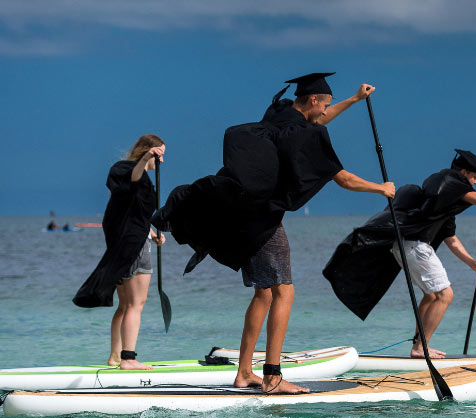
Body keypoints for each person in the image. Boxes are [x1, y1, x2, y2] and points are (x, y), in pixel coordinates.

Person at [153, 73, 394, 394]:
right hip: (262, 220)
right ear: (311, 101)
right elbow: (343, 179)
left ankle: (243, 373)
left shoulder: (279, 115)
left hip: (243, 214)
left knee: (265, 292)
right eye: (324, 105)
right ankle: (272, 376)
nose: (326, 111)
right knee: (284, 291)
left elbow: (315, 123)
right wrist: (382, 189)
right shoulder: (305, 133)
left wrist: (352, 100)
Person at [324, 149, 476, 358]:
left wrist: (471, 263)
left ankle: (418, 345)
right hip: (415, 247)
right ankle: (419, 348)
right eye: (475, 177)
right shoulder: (450, 180)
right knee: (445, 295)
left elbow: (451, 239)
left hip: (406, 246)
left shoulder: (446, 199)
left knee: (431, 295)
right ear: (464, 172)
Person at [73, 134, 167, 370]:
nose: (161, 159)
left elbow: (134, 214)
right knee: (137, 304)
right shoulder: (125, 170)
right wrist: (147, 157)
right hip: (133, 248)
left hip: (129, 244)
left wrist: (153, 233)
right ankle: (129, 358)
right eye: (160, 153)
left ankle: (115, 357)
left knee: (125, 306)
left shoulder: (141, 177)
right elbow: (132, 180)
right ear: (147, 150)